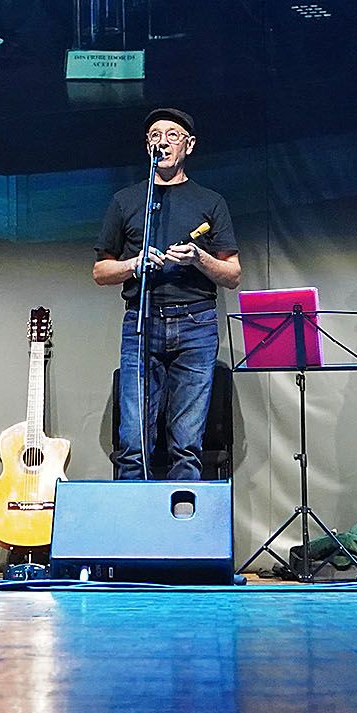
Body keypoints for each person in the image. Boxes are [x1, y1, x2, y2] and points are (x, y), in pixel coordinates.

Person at [91, 108, 241, 480]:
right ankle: (134, 531)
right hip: (142, 320)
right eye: (155, 136)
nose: (163, 141)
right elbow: (100, 271)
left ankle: (181, 533)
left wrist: (199, 257)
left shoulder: (211, 202)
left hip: (196, 323)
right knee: (132, 443)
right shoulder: (127, 201)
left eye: (172, 135)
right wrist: (133, 264)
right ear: (147, 146)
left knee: (187, 444)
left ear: (188, 146)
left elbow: (233, 274)